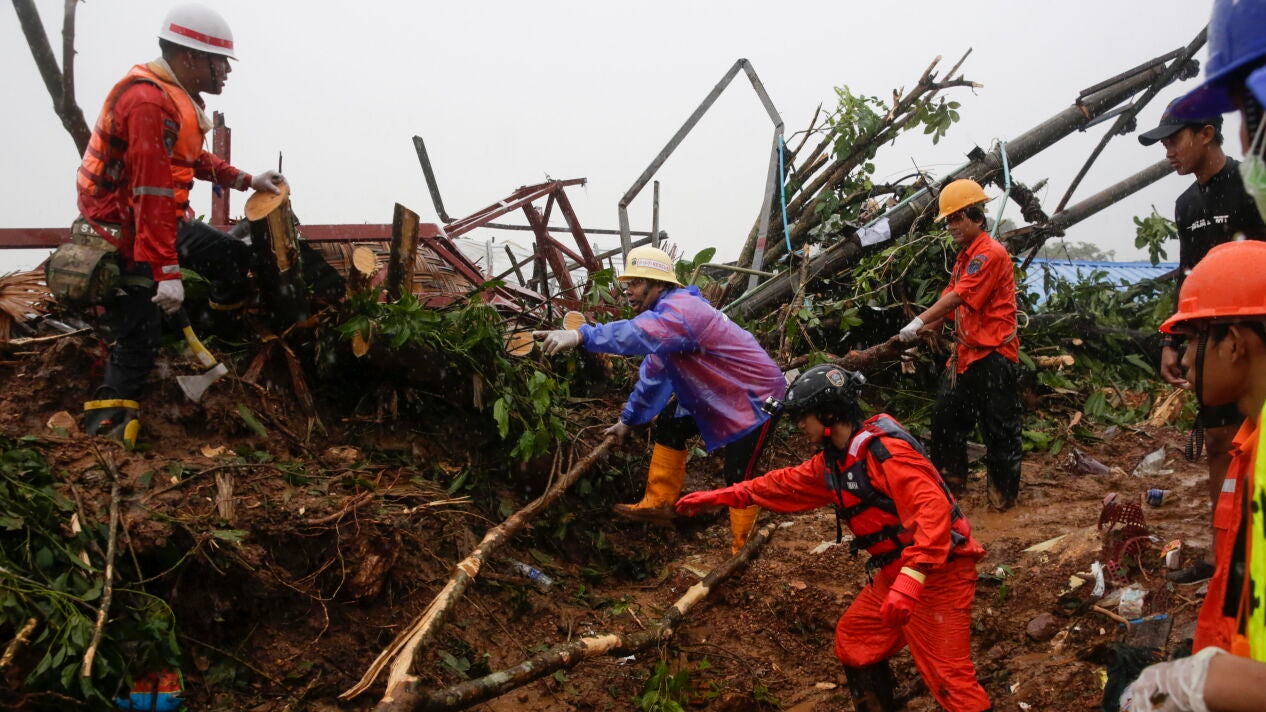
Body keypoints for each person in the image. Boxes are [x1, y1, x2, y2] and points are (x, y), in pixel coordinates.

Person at [674, 365, 991, 711]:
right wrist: (724, 495)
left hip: (938, 573)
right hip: (896, 572)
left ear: (828, 413)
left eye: (803, 417)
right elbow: (783, 484)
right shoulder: (834, 461)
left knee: (949, 678)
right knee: (856, 641)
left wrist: (911, 579)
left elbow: (933, 511)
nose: (799, 425)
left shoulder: (885, 453)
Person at [76, 4, 283, 447]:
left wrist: (246, 180)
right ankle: (104, 440)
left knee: (230, 255)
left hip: (156, 219)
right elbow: (149, 192)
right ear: (190, 57)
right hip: (124, 227)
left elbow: (190, 157)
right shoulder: (147, 102)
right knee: (139, 335)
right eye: (220, 61)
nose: (226, 71)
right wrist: (165, 271)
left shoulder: (173, 97)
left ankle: (212, 333)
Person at [533, 245, 786, 554]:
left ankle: (741, 548)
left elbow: (635, 334)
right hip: (720, 393)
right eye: (628, 283)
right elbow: (653, 378)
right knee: (670, 423)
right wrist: (628, 421)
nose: (628, 290)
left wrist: (582, 335)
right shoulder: (665, 320)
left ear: (659, 284)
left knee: (739, 473)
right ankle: (659, 503)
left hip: (757, 395)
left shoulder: (682, 311)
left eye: (636, 283)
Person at [1119, 242, 1266, 710]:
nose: (1182, 360)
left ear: (1234, 343)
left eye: (1193, 340)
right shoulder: (1250, 443)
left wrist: (1211, 684)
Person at [1138, 97, 1266, 585]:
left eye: (1175, 140)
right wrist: (1173, 339)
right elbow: (1188, 274)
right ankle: (1223, 551)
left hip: (1255, 337)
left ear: (1206, 134)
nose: (1169, 151)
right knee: (1217, 440)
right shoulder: (1186, 204)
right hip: (1211, 337)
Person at [895, 178, 1022, 509]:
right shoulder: (965, 258)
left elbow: (958, 297)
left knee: (1000, 432)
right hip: (966, 355)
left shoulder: (989, 254)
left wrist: (917, 322)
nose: (951, 226)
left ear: (976, 217)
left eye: (956, 218)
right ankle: (951, 494)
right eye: (948, 220)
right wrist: (916, 340)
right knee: (946, 423)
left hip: (994, 356)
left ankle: (1002, 502)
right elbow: (948, 305)